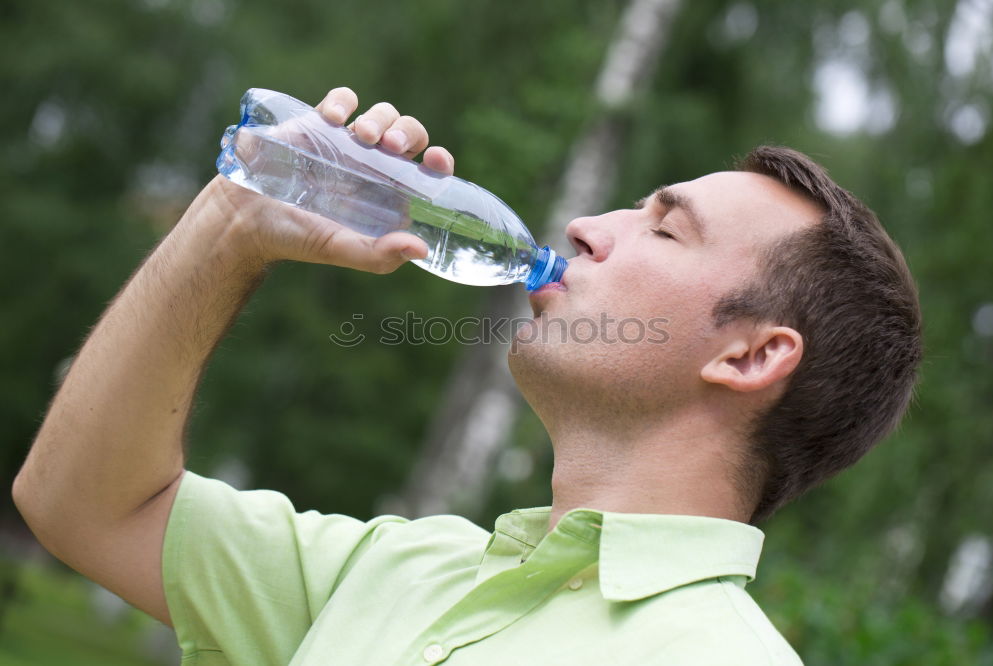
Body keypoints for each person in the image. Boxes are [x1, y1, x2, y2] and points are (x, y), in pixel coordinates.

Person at [12, 86, 921, 665]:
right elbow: (82, 503)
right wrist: (235, 224)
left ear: (751, 355)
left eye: (664, 227)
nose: (585, 226)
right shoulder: (398, 569)